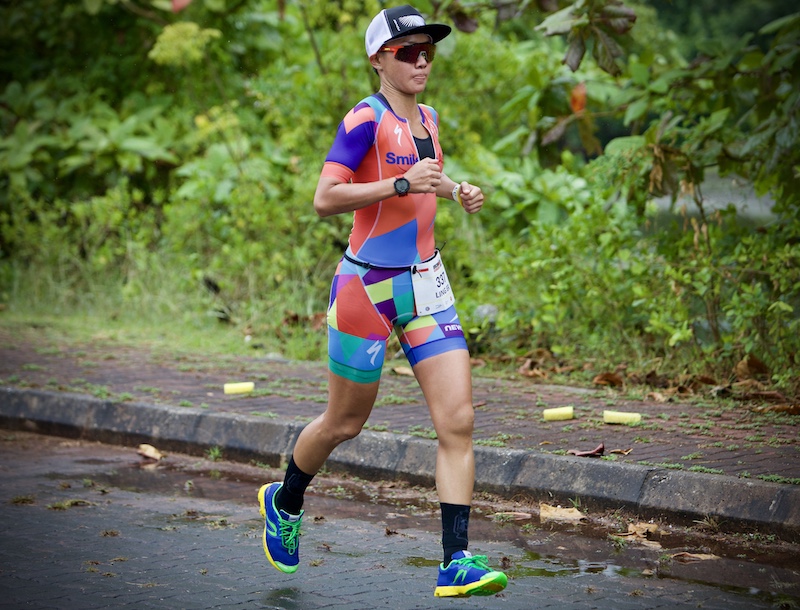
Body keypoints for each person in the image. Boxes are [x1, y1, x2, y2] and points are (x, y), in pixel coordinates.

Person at [258, 4, 508, 598]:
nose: (422, 61)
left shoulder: (430, 118)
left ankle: (456, 561)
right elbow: (325, 198)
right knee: (345, 422)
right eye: (407, 52)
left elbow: (427, 176)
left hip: (426, 283)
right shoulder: (362, 120)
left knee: (459, 420)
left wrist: (456, 189)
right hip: (365, 288)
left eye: (429, 51)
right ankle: (285, 498)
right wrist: (400, 184)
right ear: (379, 59)